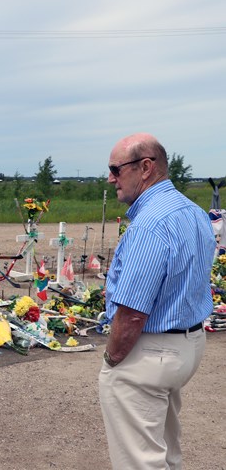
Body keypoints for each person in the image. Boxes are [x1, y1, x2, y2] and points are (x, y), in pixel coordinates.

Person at [100, 133, 215, 469]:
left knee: (140, 461)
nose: (111, 179)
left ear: (145, 167)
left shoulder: (149, 226)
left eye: (116, 169)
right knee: (165, 449)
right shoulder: (193, 212)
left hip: (150, 351)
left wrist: (112, 358)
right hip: (189, 342)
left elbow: (133, 313)